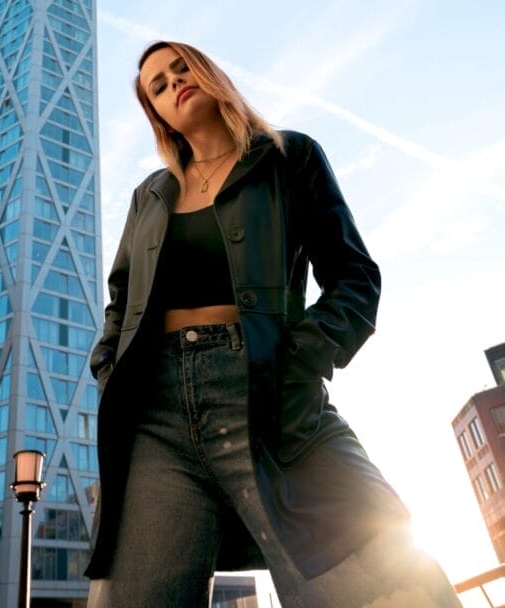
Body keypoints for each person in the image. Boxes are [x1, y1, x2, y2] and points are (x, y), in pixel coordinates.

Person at [86, 41, 461, 608]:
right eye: (157, 86)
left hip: (271, 395)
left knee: (391, 580)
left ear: (208, 72)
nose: (173, 83)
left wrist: (299, 362)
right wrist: (109, 368)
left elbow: (355, 279)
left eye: (180, 67)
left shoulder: (291, 157)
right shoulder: (151, 196)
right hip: (153, 422)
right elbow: (121, 299)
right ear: (155, 114)